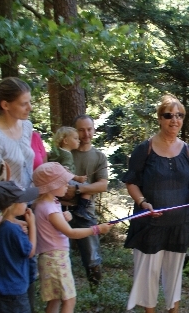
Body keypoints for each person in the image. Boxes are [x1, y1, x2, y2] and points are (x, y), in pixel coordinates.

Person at [123, 95, 189, 313]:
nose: (175, 120)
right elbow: (131, 182)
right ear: (160, 118)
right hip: (150, 224)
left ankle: (174, 310)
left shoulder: (187, 150)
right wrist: (142, 202)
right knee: (148, 274)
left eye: (179, 115)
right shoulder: (145, 149)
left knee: (174, 274)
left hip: (179, 224)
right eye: (169, 115)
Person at [33, 162, 113, 313]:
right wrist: (96, 229)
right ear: (51, 185)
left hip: (49, 258)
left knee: (55, 299)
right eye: (63, 182)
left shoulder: (46, 204)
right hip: (56, 260)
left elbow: (52, 225)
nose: (68, 185)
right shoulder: (50, 209)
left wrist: (64, 217)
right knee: (69, 300)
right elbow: (71, 233)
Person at [0, 182, 39, 313]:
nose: (26, 203)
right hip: (14, 294)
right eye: (23, 201)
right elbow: (30, 252)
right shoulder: (13, 230)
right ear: (12, 205)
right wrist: (32, 225)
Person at [69, 115, 110, 287]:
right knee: (59, 257)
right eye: (81, 130)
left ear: (94, 130)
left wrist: (78, 189)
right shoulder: (65, 152)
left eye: (89, 129)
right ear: (75, 131)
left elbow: (102, 185)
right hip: (59, 210)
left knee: (93, 258)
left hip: (85, 211)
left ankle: (96, 292)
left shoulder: (99, 156)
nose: (86, 134)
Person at [0, 77, 36, 194]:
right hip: (7, 203)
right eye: (23, 104)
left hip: (28, 199)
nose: (30, 108)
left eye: (30, 102)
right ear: (5, 105)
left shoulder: (26, 125)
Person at [48, 126, 92, 221]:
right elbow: (64, 171)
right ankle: (81, 209)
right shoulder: (67, 155)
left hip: (53, 180)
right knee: (88, 188)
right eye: (75, 138)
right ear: (66, 141)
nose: (79, 141)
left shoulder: (56, 152)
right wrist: (77, 178)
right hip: (65, 181)